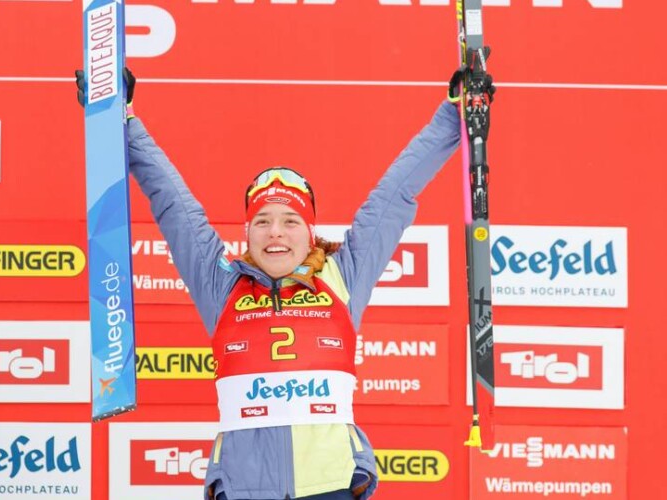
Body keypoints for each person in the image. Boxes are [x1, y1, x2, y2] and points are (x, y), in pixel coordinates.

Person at [76, 65, 490, 500]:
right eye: (263, 221)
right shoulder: (221, 285)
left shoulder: (342, 274)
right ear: (248, 234)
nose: (275, 232)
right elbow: (172, 202)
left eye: (290, 221)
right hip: (244, 488)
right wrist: (120, 118)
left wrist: (454, 115)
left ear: (309, 232)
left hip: (331, 486)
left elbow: (395, 194)